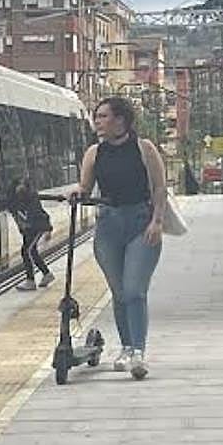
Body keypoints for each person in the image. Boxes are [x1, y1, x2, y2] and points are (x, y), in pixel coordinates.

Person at [75, 97, 166, 381]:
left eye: (103, 116)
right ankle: (126, 347)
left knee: (134, 290)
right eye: (97, 116)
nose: (98, 121)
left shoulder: (145, 149)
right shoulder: (93, 153)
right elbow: (85, 186)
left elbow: (160, 188)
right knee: (118, 292)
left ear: (121, 120)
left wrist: (157, 221)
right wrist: (78, 193)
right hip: (108, 227)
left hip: (141, 223)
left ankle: (139, 351)